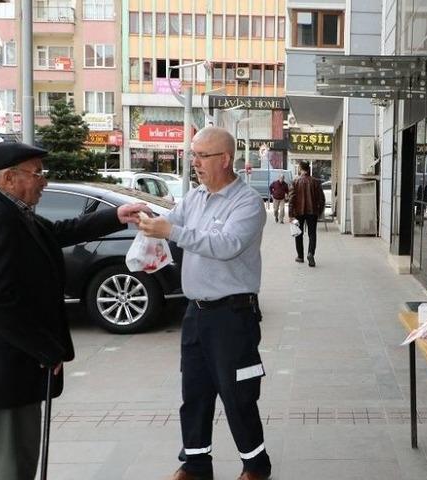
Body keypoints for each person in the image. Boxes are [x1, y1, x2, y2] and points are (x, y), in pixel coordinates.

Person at [0, 142, 147, 480]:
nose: (44, 182)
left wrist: (114, 215)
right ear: (10, 178)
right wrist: (45, 348)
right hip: (2, 370)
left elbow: (52, 233)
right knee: (6, 467)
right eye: (37, 173)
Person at [138, 126, 271, 480]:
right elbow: (173, 222)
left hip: (233, 315)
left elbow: (225, 244)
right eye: (192, 155)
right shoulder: (195, 196)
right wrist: (148, 219)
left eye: (201, 155)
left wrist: (172, 232)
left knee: (237, 394)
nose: (193, 162)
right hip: (196, 313)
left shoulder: (247, 202)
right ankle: (196, 464)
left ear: (225, 159)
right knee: (194, 392)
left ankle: (255, 466)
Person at [288, 161, 325, 267]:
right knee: (312, 234)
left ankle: (300, 256)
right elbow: (321, 199)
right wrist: (320, 212)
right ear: (308, 169)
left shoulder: (295, 181)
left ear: (300, 168)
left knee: (298, 233)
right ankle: (310, 253)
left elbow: (291, 199)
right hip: (312, 212)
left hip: (298, 212)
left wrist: (290, 215)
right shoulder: (316, 182)